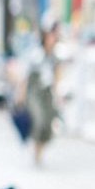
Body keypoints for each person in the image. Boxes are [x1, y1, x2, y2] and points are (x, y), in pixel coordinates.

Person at [24, 15, 62, 166]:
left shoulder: (55, 57)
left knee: (48, 122)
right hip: (35, 92)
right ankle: (36, 150)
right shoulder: (36, 54)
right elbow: (26, 77)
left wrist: (57, 95)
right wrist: (21, 96)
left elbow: (57, 78)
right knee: (38, 120)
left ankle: (40, 149)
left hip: (47, 93)